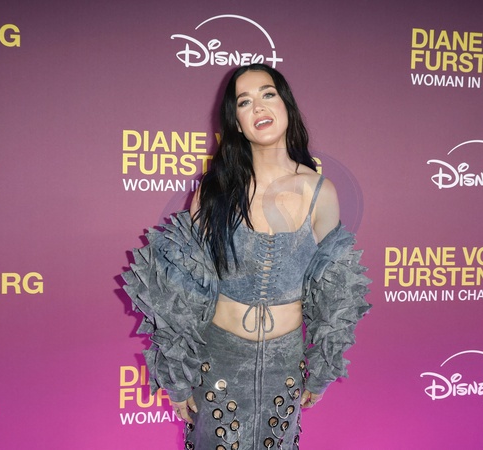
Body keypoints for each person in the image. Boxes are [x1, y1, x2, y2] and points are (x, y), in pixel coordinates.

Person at [122, 64, 371, 450]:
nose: (258, 106)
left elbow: (333, 291)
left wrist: (323, 368)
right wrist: (177, 377)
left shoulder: (319, 191)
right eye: (244, 101)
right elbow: (182, 289)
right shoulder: (214, 190)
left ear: (286, 106)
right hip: (218, 361)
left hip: (284, 366)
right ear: (236, 122)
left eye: (268, 94)